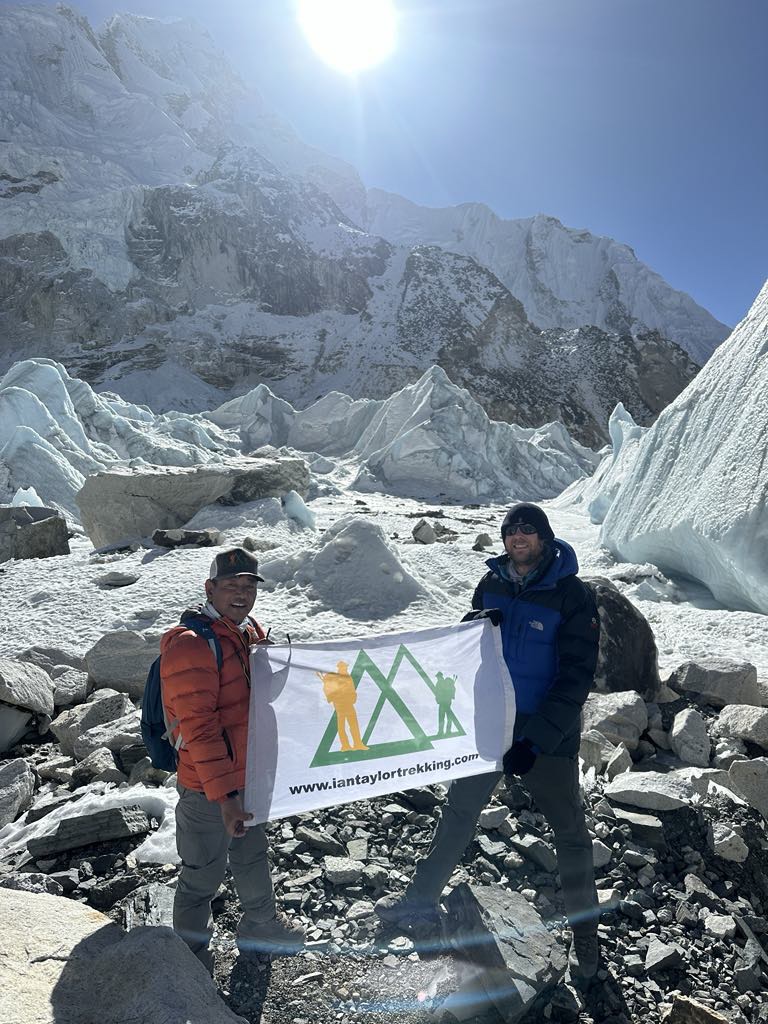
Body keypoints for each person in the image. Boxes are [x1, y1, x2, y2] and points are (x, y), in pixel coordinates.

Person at [375, 503, 602, 980]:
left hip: (548, 737)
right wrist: (471, 623)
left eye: (528, 530)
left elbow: (575, 678)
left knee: (570, 834)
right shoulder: (493, 582)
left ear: (544, 537)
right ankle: (419, 899)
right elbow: (471, 646)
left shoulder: (571, 595)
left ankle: (586, 935)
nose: (518, 537)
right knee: (459, 811)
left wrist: (536, 740)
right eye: (511, 530)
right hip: (490, 725)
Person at [160, 546, 305, 970]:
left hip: (249, 775)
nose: (241, 594)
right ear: (210, 588)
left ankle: (261, 925)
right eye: (231, 585)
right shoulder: (191, 645)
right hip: (207, 786)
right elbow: (200, 728)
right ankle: (189, 959)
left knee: (251, 853)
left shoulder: (247, 632)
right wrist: (225, 799)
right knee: (202, 873)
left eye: (248, 586)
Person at [316, 660, 368, 751]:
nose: (345, 668)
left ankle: (358, 744)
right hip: (340, 705)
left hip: (349, 704)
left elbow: (352, 689)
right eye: (343, 667)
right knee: (341, 726)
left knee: (354, 725)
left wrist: (353, 698)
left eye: (345, 667)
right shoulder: (334, 678)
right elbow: (329, 689)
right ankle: (345, 746)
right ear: (339, 668)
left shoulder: (348, 677)